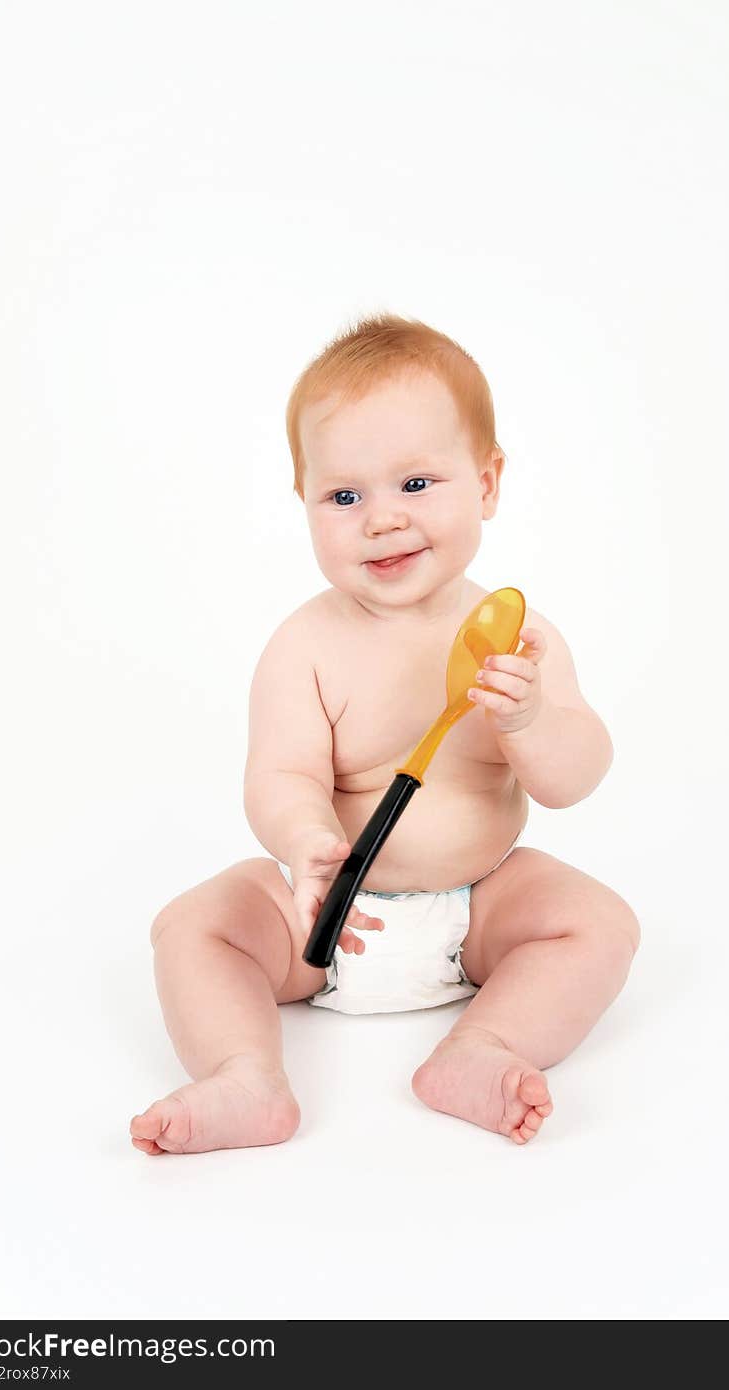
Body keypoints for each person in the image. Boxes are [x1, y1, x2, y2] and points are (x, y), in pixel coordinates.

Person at [130, 313, 640, 1155]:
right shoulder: (306, 643)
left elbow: (574, 776)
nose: (381, 519)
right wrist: (306, 842)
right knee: (194, 926)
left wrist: (531, 718)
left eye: (416, 484)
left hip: (479, 909)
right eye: (344, 496)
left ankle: (484, 1047)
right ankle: (243, 1075)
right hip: (325, 922)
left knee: (597, 921)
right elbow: (280, 773)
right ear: (306, 505)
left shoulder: (516, 638)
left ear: (486, 483)